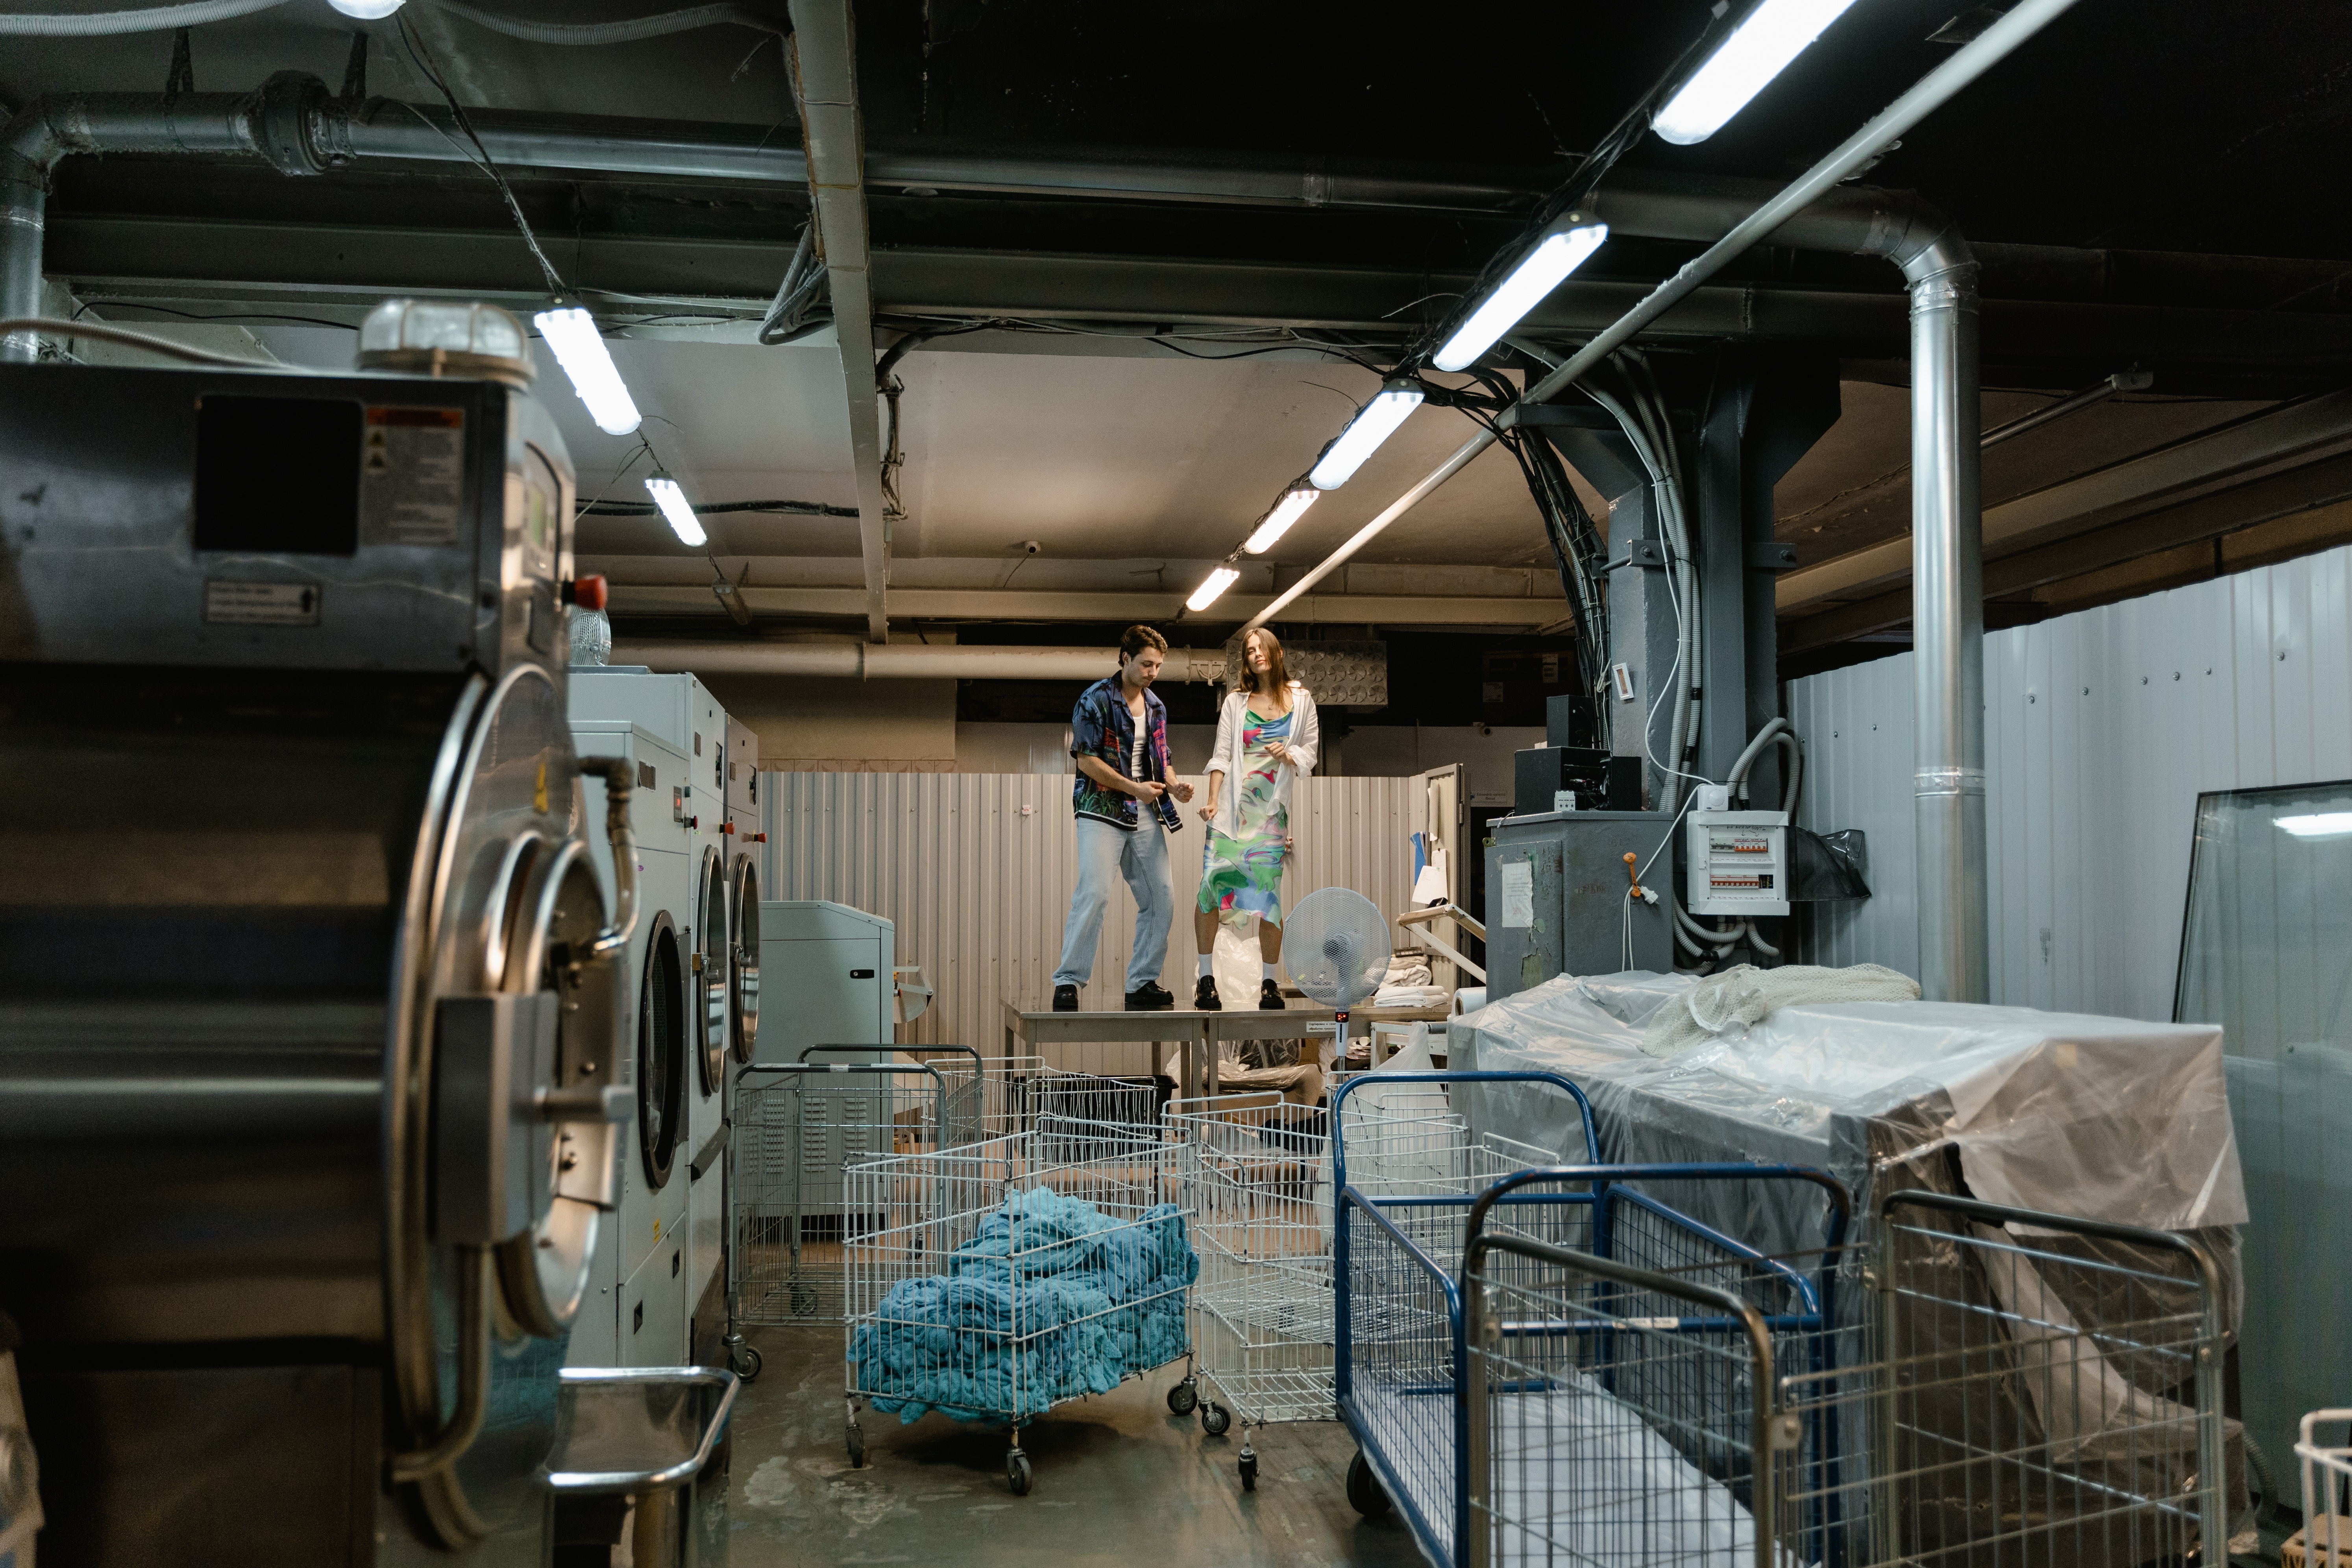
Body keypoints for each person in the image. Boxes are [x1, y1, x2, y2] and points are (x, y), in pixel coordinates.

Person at [1051, 625, 1194, 1011]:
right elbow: (1086, 760)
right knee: (1094, 893)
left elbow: (1162, 760)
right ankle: (1068, 981)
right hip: (1100, 809)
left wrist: (1176, 786)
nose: (1153, 672)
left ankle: (1142, 982)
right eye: (1146, 664)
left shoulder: (1157, 708)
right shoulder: (1095, 699)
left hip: (1143, 809)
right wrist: (1135, 789)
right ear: (1126, 658)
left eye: (1158, 666)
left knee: (1162, 897)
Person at [1192, 627, 1319, 1011]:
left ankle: (1269, 984)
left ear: (1276, 653)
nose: (1256, 655)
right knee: (1211, 886)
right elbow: (1221, 754)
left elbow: (1311, 752)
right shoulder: (1236, 702)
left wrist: (1290, 754)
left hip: (1269, 814)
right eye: (1250, 651)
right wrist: (1212, 801)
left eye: (1262, 648)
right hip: (1232, 812)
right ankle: (1206, 979)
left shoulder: (1302, 700)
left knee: (1268, 897)